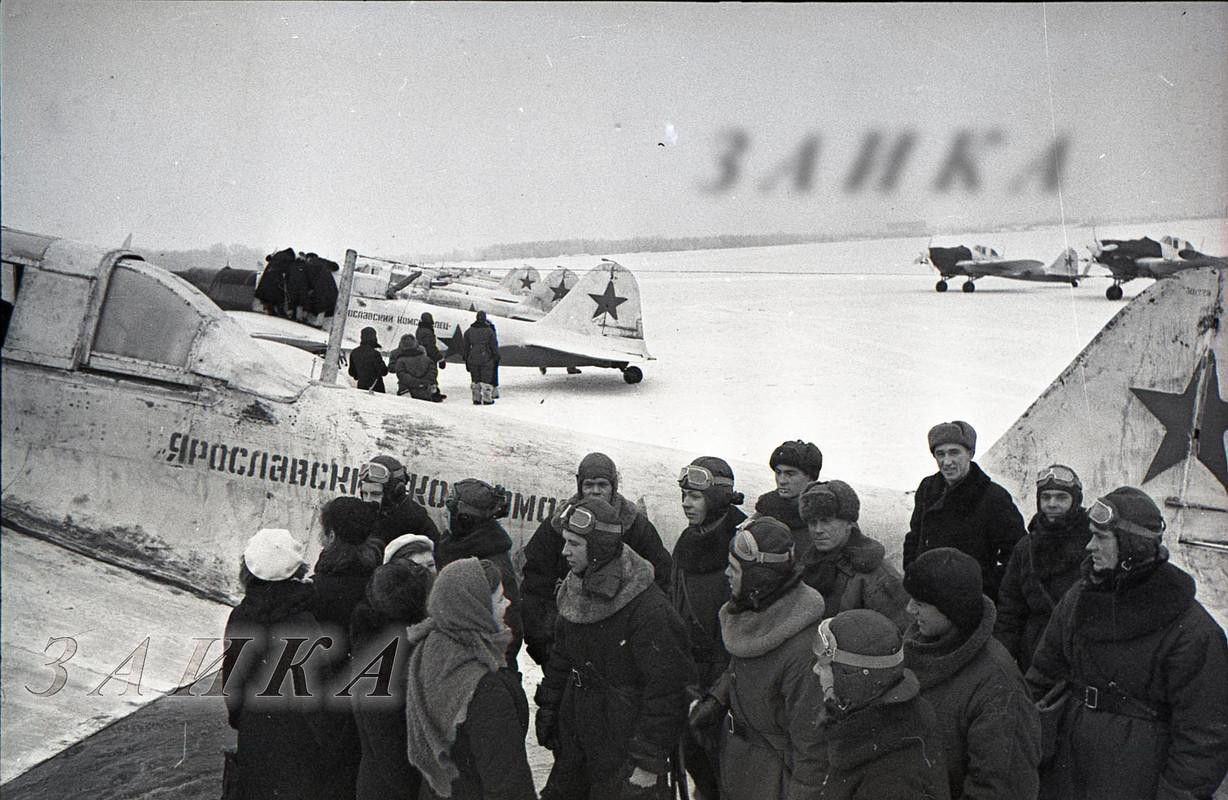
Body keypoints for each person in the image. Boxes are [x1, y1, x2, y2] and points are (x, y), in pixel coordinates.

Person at [1026, 487, 1228, 800]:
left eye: (1101, 537)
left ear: (1133, 545)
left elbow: (1204, 737)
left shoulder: (1191, 630)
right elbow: (1042, 674)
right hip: (1065, 765)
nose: (1089, 546)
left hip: (1135, 775)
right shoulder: (1079, 598)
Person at [534, 497, 695, 800]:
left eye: (574, 544)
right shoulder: (575, 589)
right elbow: (561, 659)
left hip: (625, 747)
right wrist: (549, 708)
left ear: (597, 548)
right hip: (578, 738)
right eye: (565, 542)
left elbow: (668, 688)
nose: (564, 551)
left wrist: (648, 761)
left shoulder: (648, 608)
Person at [687, 516, 828, 799]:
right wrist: (716, 699)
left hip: (771, 778)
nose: (726, 573)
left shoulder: (802, 653)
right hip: (736, 761)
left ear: (757, 579)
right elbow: (743, 664)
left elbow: (811, 747)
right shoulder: (759, 614)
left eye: (735, 568)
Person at [902, 548, 1041, 800]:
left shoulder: (997, 684)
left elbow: (1001, 788)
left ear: (951, 609)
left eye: (920, 603)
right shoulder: (916, 647)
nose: (909, 609)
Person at [223, 528, 347, 800]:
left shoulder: (240, 616)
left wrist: (240, 719)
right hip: (297, 739)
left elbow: (232, 680)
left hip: (256, 730)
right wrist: (331, 744)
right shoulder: (305, 624)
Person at [520, 451, 674, 666]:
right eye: (589, 485)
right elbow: (535, 582)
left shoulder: (635, 526)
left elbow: (661, 578)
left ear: (614, 487)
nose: (595, 492)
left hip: (618, 640)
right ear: (579, 486)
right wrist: (546, 640)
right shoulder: (557, 525)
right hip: (565, 634)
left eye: (602, 485)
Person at [405, 558, 537, 800]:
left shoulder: (431, 648)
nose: (507, 604)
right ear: (474, 609)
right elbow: (508, 784)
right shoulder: (483, 686)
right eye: (498, 600)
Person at [811, 609, 951, 800]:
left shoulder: (894, 782)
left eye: (827, 666)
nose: (817, 670)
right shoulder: (894, 721)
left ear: (854, 679)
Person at [671, 456, 748, 799]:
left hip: (728, 678)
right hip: (690, 675)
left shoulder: (743, 541)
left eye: (696, 496)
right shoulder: (687, 541)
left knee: (727, 778)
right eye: (684, 495)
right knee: (700, 771)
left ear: (717, 498)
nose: (687, 504)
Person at [902, 421, 1025, 603]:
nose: (946, 462)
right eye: (940, 454)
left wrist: (985, 589)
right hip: (929, 596)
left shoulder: (993, 497)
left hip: (970, 600)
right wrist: (912, 573)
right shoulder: (928, 488)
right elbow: (915, 536)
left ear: (970, 454)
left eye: (954, 452)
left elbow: (1017, 555)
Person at [348, 558, 434, 800]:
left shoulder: (373, 642)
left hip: (380, 783)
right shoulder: (386, 660)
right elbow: (388, 746)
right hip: (393, 789)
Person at [994, 464, 1090, 673]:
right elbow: (1011, 607)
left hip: (1081, 649)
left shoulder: (1092, 543)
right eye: (1045, 497)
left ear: (1076, 500)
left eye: (1061, 497)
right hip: (1036, 649)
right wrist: (1004, 659)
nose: (1052, 504)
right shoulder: (1026, 547)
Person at [798, 479, 912, 632]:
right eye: (812, 522)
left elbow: (901, 632)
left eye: (826, 521)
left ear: (849, 524)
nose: (818, 529)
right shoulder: (809, 563)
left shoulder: (875, 574)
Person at [434, 479, 523, 670]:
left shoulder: (494, 565)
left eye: (450, 511)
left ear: (465, 519)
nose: (444, 515)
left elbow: (511, 630)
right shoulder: (451, 544)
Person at [753, 440, 824, 561]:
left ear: (810, 477)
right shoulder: (765, 509)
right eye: (778, 472)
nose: (781, 480)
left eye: (790, 474)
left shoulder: (825, 517)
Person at [358, 454, 440, 548]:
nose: (368, 501)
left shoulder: (416, 520)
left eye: (376, 494)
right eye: (365, 493)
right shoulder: (358, 515)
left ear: (396, 492)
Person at [389, 334, 442, 402]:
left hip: (406, 389)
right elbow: (432, 372)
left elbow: (401, 374)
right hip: (426, 389)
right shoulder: (426, 358)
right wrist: (424, 382)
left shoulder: (399, 358)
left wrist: (415, 382)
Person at [462, 310, 499, 404]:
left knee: (475, 379)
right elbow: (494, 346)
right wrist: (496, 357)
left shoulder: (469, 331)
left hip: (473, 357)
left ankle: (476, 398)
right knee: (486, 379)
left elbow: (465, 347)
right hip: (486, 357)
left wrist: (466, 359)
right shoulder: (489, 331)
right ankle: (487, 399)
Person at [348, 326, 389, 393]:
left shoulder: (354, 352)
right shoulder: (375, 354)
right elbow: (384, 372)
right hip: (377, 388)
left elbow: (352, 372)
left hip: (361, 387)